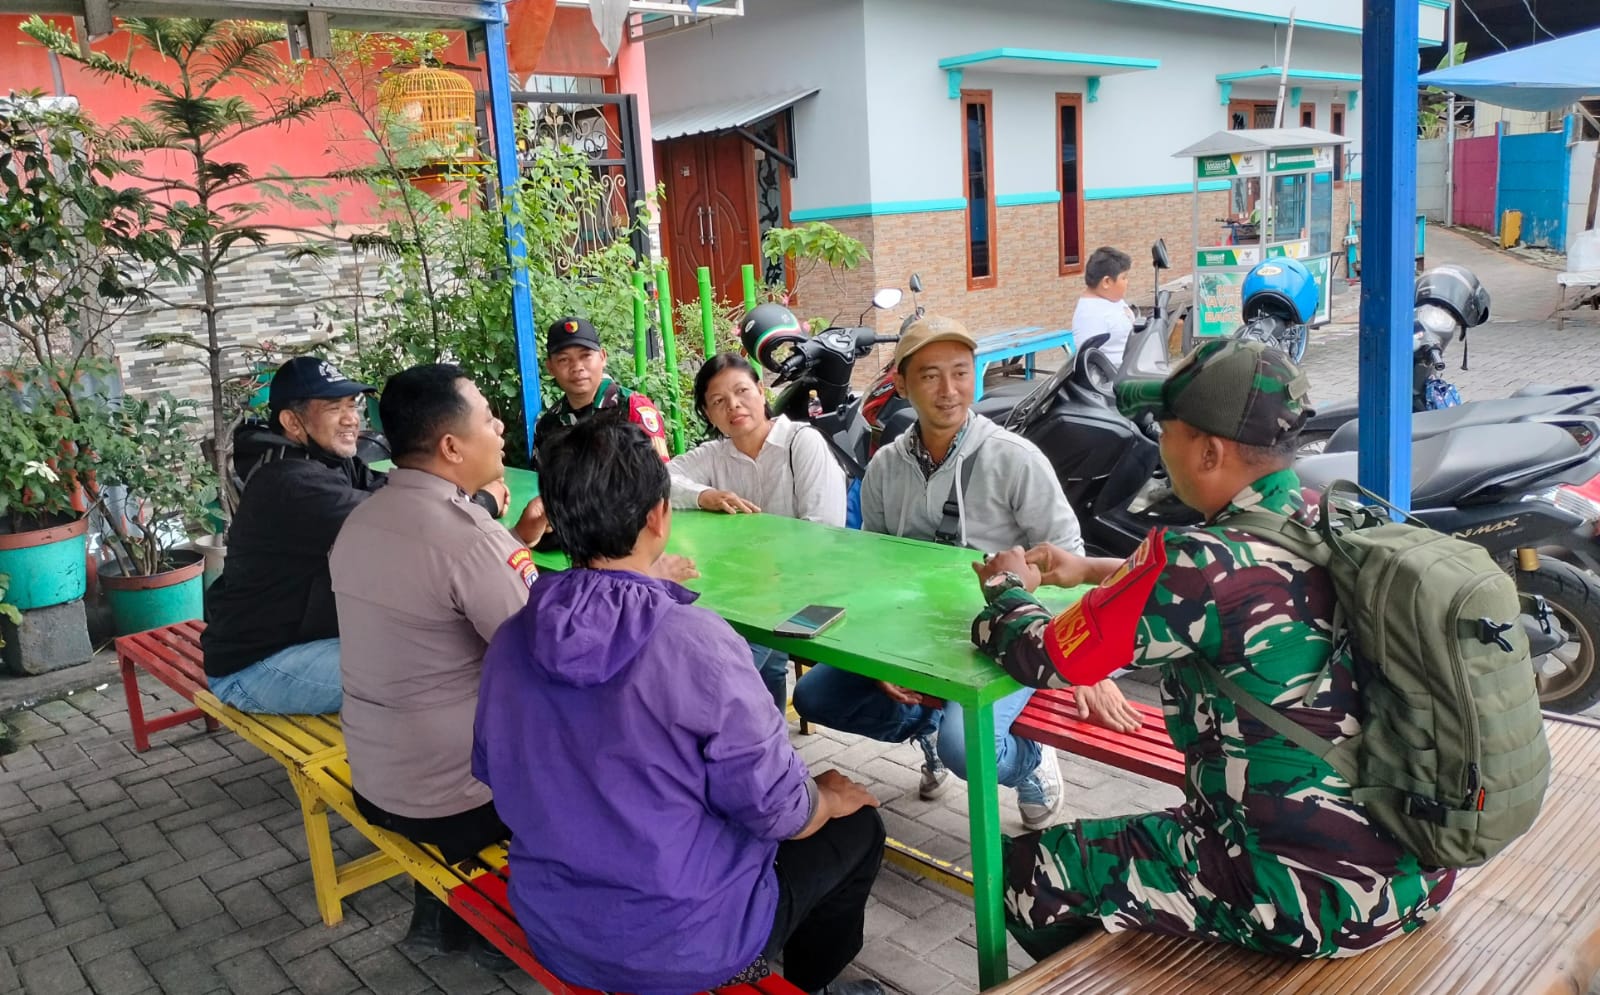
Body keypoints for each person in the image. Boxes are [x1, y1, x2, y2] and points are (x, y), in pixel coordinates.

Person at [969, 339, 1456, 961]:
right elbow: (1240, 587)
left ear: (1208, 450)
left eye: (1165, 431)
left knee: (1027, 875)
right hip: (1414, 868)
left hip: (1301, 894)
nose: (1159, 447)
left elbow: (1040, 658)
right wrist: (1091, 569)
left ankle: (1133, 973)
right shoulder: (1326, 515)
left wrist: (1006, 587)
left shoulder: (1191, 562)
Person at [474, 417, 887, 995]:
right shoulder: (699, 643)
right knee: (860, 826)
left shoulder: (513, 636)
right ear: (658, 517)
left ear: (554, 519)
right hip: (685, 943)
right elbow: (781, 813)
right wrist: (829, 799)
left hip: (555, 925)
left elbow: (493, 770)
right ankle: (804, 983)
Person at [793, 315, 1129, 831]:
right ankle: (925, 727)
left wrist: (1089, 665)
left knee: (964, 748)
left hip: (1006, 637)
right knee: (815, 696)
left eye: (960, 372)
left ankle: (1030, 763)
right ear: (901, 383)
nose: (948, 391)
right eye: (930, 376)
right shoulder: (885, 467)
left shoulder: (1014, 459)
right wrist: (876, 655)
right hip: (917, 633)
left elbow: (1071, 561)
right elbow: (875, 568)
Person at [329, 363, 548, 963]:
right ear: (452, 446)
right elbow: (547, 654)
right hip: (458, 802)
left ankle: (440, 913)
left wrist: (509, 541)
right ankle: (516, 930)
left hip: (377, 778)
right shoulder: (469, 537)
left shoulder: (362, 520)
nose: (500, 427)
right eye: (487, 417)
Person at [669, 352, 848, 713]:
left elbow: (825, 534)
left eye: (741, 392)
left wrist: (769, 577)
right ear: (707, 413)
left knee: (726, 672)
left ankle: (756, 744)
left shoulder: (802, 443)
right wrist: (702, 495)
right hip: (743, 593)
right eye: (718, 401)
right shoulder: (716, 455)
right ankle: (769, 746)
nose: (733, 406)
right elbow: (656, 480)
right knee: (749, 658)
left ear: (761, 391)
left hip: (803, 589)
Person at [202, 356, 381, 715]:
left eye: (352, 405)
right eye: (334, 408)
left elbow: (386, 490)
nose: (351, 418)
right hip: (256, 667)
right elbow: (399, 520)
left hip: (303, 640)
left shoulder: (327, 459)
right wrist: (480, 499)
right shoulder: (290, 481)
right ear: (292, 421)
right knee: (429, 669)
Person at [533, 315, 669, 465]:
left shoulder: (631, 409)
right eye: (564, 360)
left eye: (585, 356)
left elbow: (657, 479)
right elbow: (540, 482)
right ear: (550, 368)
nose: (577, 367)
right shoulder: (549, 423)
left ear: (603, 357)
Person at [1071, 247, 1136, 369]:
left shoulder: (1111, 299)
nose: (1127, 282)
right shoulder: (1089, 316)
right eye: (1124, 278)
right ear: (1106, 282)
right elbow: (1089, 363)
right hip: (1114, 382)